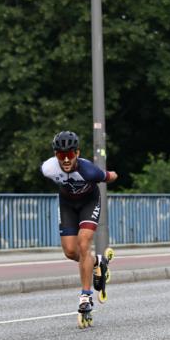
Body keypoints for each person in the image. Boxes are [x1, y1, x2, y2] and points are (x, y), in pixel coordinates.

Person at [41, 130, 118, 320]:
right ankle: (98, 262)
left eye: (70, 155)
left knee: (84, 244)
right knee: (70, 252)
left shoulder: (89, 171)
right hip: (67, 205)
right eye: (61, 155)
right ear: (55, 155)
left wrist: (112, 175)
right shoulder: (49, 168)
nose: (65, 160)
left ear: (77, 153)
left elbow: (110, 176)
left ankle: (85, 296)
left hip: (89, 203)